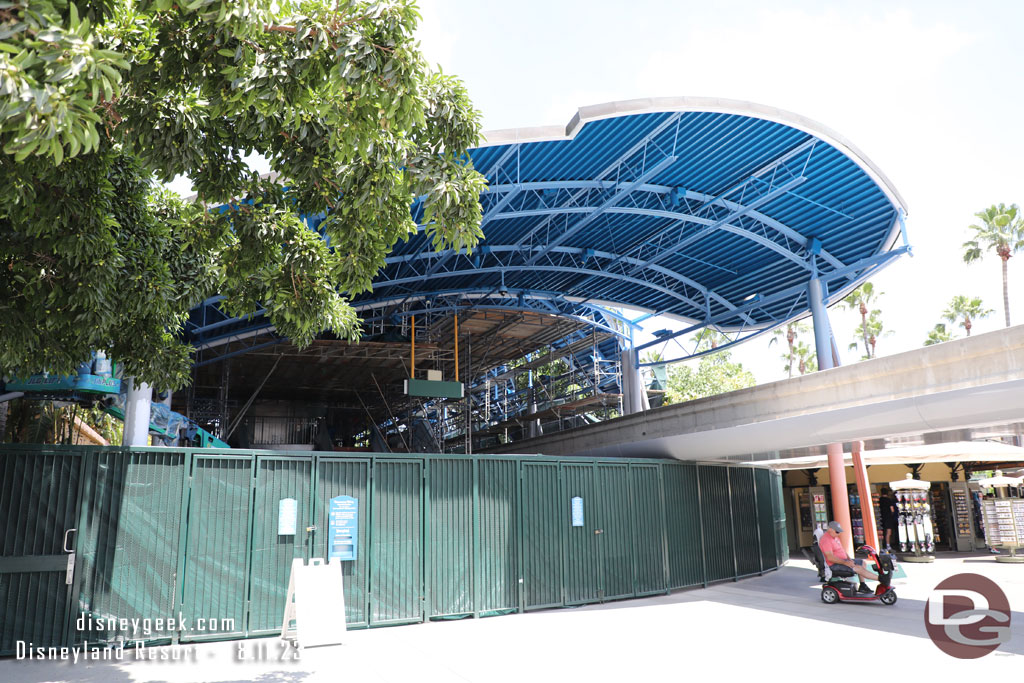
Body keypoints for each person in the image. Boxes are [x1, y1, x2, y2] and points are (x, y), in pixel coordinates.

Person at [818, 520, 877, 593]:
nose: (838, 534)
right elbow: (830, 558)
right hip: (834, 565)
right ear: (830, 529)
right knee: (858, 568)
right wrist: (846, 563)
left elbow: (842, 551)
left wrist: (849, 559)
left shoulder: (835, 537)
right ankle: (879, 578)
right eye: (837, 532)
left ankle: (862, 585)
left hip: (843, 561)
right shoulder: (826, 540)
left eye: (839, 532)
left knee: (862, 563)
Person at [878, 487, 898, 552]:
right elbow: (892, 509)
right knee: (888, 532)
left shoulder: (879, 500)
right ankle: (888, 545)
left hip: (880, 517)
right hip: (888, 517)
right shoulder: (889, 500)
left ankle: (882, 545)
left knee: (882, 532)